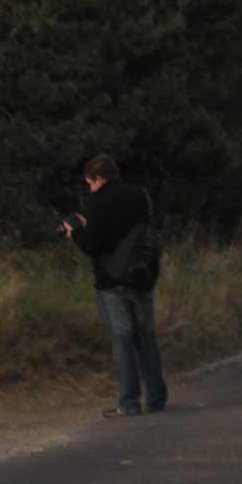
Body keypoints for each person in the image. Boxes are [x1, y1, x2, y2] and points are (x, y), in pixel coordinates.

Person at [62, 153, 167, 419]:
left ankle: (129, 402)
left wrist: (76, 232)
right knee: (146, 337)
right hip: (142, 274)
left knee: (122, 339)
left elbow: (93, 245)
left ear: (98, 178)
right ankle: (156, 398)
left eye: (90, 183)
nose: (90, 188)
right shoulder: (140, 196)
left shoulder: (98, 201)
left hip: (112, 279)